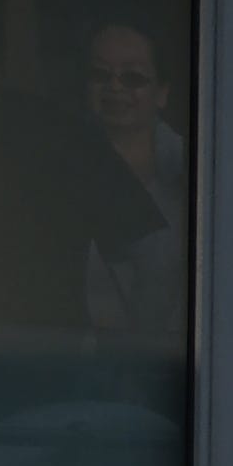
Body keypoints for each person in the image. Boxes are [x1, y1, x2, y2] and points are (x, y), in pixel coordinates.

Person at [79, 17, 188, 341]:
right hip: (79, 363)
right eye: (100, 74)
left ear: (162, 93)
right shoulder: (57, 164)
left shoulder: (196, 169)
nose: (115, 87)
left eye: (133, 77)